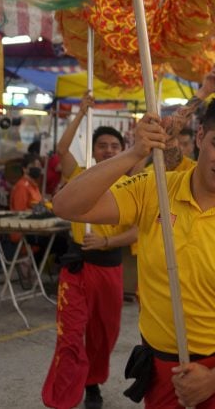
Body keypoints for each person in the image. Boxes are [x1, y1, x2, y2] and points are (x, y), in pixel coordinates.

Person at [52, 93, 215, 408]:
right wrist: (133, 153)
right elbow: (66, 205)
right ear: (199, 136)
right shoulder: (155, 189)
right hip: (163, 369)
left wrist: (214, 379)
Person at [44, 91, 143, 409]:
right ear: (95, 149)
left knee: (103, 335)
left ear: (121, 151)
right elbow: (62, 149)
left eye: (114, 147)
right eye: (103, 146)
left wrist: (106, 242)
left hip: (109, 268)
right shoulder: (81, 175)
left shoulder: (130, 183)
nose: (108, 150)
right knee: (71, 333)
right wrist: (81, 113)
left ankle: (93, 384)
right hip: (76, 268)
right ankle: (63, 394)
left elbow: (138, 230)